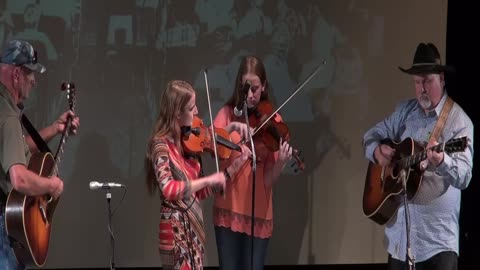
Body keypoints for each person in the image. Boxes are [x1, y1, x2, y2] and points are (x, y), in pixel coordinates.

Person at [362, 42, 474, 270]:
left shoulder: (458, 121)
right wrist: (376, 150)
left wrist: (442, 161)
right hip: (399, 240)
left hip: (437, 244)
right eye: (417, 82)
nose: (422, 88)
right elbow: (370, 134)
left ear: (441, 79)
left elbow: (464, 176)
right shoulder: (405, 112)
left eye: (428, 81)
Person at [145, 80, 249, 270]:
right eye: (191, 108)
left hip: (194, 232)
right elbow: (168, 189)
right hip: (175, 233)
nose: (197, 112)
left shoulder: (189, 146)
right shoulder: (160, 146)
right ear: (177, 112)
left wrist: (234, 167)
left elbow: (200, 193)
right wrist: (208, 179)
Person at [0, 39, 80, 269]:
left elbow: (15, 147)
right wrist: (51, 185)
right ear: (16, 74)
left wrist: (55, 129)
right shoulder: (6, 117)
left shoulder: (4, 110)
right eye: (30, 74)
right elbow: (20, 178)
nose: (34, 81)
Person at [213, 55, 293, 270]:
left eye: (255, 89)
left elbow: (267, 180)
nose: (250, 95)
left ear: (264, 86)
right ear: (240, 85)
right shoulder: (227, 114)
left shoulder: (272, 121)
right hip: (228, 210)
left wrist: (281, 163)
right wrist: (231, 129)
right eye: (246, 88)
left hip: (258, 214)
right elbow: (211, 147)